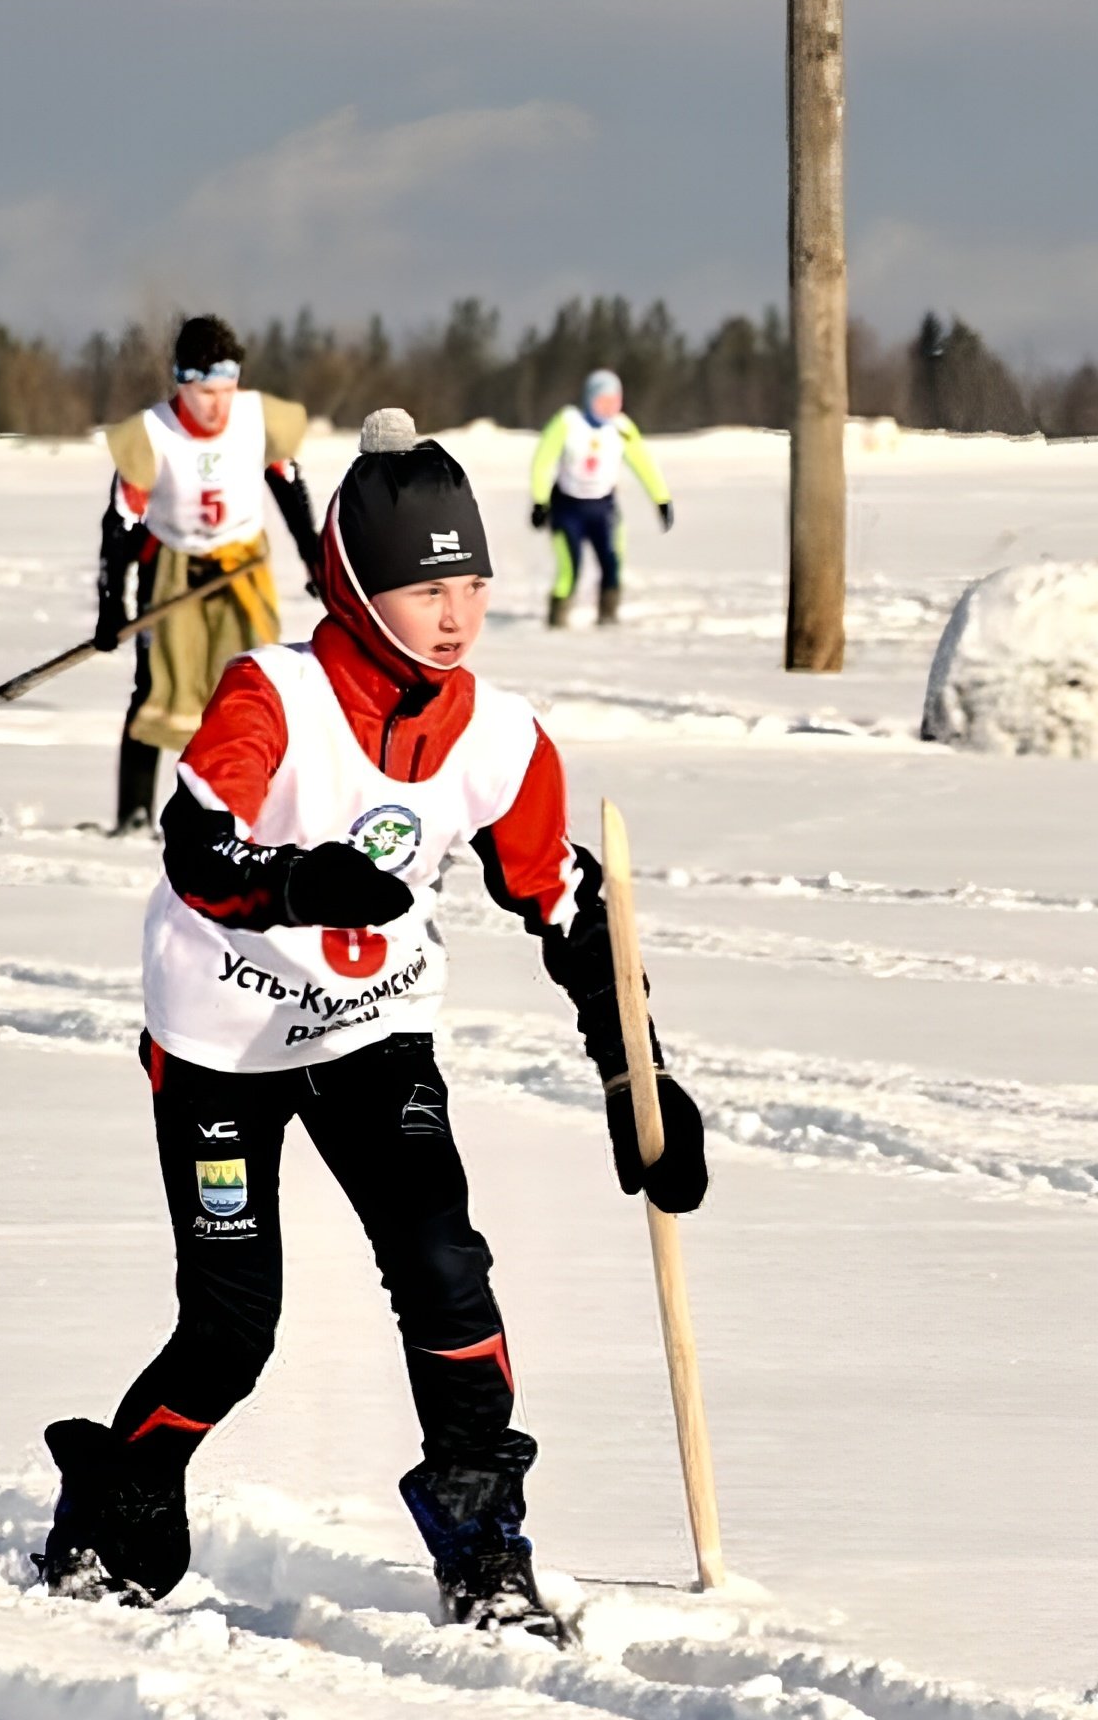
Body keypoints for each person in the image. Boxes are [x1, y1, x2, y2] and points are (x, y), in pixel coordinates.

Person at [36, 409, 708, 1642]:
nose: (455, 612)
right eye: (423, 585)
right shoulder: (273, 693)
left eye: (470, 582)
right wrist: (296, 882)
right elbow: (197, 844)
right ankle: (118, 1486)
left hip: (371, 1032)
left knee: (443, 1264)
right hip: (219, 1045)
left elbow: (568, 911)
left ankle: (481, 1539)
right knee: (233, 1326)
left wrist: (636, 1076)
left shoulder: (500, 737)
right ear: (354, 584)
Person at [96, 315, 323, 835]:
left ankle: (267, 814)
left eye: (226, 389)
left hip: (241, 567)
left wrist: (313, 558)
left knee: (258, 684)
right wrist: (113, 601)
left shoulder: (257, 419)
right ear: (182, 384)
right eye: (204, 393)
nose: (217, 404)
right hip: (174, 567)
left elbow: (290, 489)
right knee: (158, 687)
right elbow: (121, 525)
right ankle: (134, 814)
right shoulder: (151, 433)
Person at [529, 369, 673, 628]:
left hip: (603, 510)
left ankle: (608, 622)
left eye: (614, 402)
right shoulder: (567, 422)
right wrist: (540, 502)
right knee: (568, 572)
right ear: (589, 399)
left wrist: (661, 499)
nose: (608, 409)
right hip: (567, 509)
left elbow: (644, 464)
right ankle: (555, 627)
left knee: (612, 565)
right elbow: (543, 461)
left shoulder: (622, 428)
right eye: (601, 401)